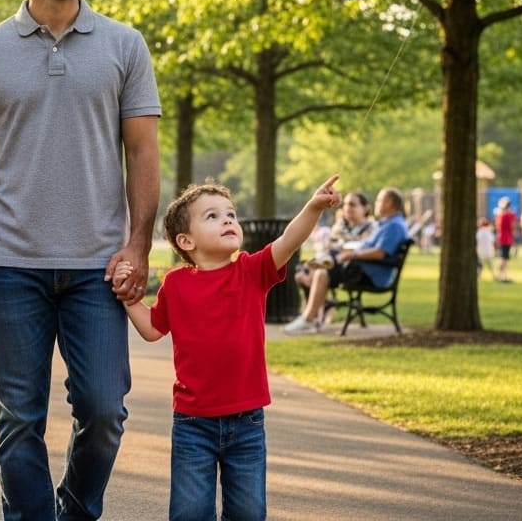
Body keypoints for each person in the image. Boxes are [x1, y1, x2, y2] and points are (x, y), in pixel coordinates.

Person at [0, 0, 161, 521]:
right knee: (19, 417)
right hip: (11, 259)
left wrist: (139, 245)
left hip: (100, 262)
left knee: (103, 409)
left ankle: (76, 512)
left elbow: (143, 151)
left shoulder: (124, 45)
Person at [111, 177, 338, 521]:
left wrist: (314, 206)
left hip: (247, 421)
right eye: (213, 216)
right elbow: (153, 329)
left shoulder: (251, 270)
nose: (229, 220)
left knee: (248, 513)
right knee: (190, 513)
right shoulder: (176, 283)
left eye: (231, 214)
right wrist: (128, 297)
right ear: (186, 240)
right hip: (192, 423)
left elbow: (289, 240)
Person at [283, 187, 409, 334]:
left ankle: (308, 319)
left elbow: (380, 253)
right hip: (361, 268)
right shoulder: (390, 223)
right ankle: (313, 316)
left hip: (369, 274)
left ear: (389, 203)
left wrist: (352, 255)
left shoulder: (394, 225)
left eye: (379, 200)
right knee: (319, 266)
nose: (377, 203)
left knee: (322, 272)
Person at [294, 191, 374, 322]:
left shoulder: (371, 228)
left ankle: (311, 315)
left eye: (352, 204)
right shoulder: (340, 226)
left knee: (313, 272)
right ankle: (319, 308)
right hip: (331, 262)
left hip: (349, 268)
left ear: (365, 208)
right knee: (301, 274)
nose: (347, 208)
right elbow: (327, 247)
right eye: (346, 204)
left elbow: (359, 247)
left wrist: (341, 245)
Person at [493, 196, 517, 283]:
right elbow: (512, 227)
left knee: (504, 257)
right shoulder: (510, 215)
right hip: (507, 238)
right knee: (504, 258)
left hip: (501, 237)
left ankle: (503, 276)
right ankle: (500, 276)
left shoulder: (499, 215)